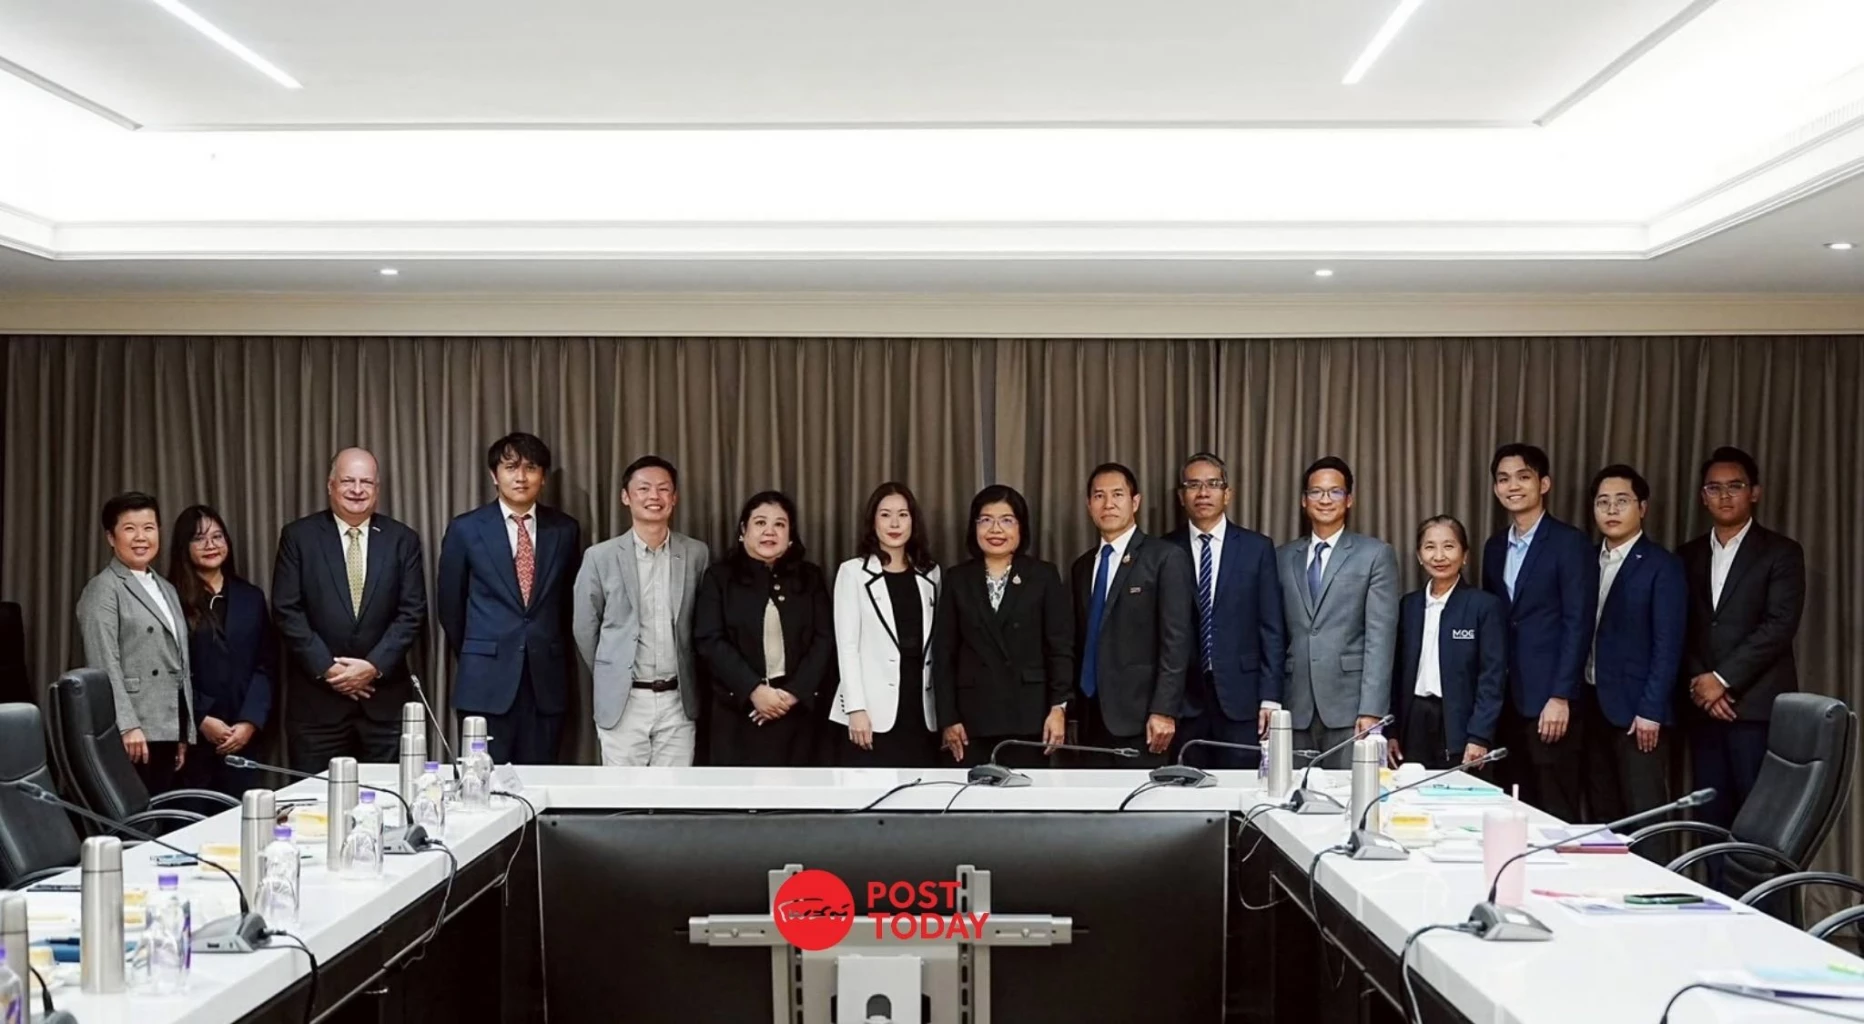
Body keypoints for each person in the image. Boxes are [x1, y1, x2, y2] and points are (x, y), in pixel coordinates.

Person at [272, 448, 428, 771]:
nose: (357, 490)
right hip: (317, 707)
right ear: (330, 485)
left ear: (377, 489)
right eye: (348, 481)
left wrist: (372, 666)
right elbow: (287, 610)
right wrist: (330, 669)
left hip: (384, 706)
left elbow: (412, 613)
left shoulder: (403, 540)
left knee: (389, 798)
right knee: (315, 800)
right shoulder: (298, 537)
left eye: (366, 482)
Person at [1678, 446, 1805, 830]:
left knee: (1760, 825)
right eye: (1714, 488)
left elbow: (1779, 626)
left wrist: (1722, 680)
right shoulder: (1686, 555)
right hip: (1703, 710)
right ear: (1703, 496)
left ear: (1754, 492)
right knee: (1710, 821)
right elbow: (1680, 627)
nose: (1724, 496)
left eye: (1735, 486)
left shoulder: (1781, 552)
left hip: (1755, 709)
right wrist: (1703, 684)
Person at [438, 433, 582, 765]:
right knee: (482, 783)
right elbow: (450, 606)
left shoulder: (565, 530)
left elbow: (567, 604)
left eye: (531, 468)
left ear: (543, 477)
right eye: (511, 467)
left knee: (541, 782)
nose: (521, 477)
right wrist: (484, 649)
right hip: (484, 682)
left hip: (545, 683)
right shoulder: (466, 529)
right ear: (494, 475)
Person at [573, 455, 710, 766]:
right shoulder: (600, 557)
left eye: (663, 489)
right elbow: (584, 626)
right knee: (622, 792)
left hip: (678, 699)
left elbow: (703, 623)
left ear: (674, 497)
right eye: (644, 488)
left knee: (674, 791)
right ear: (626, 497)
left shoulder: (696, 553)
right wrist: (612, 669)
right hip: (624, 700)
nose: (654, 497)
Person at [1480, 442, 1592, 822]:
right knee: (1512, 809)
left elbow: (1578, 623)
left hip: (1550, 703)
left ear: (1544, 484)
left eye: (1523, 477)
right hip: (1506, 701)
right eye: (1503, 479)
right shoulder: (1494, 547)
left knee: (1555, 810)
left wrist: (1561, 695)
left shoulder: (1570, 543)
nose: (1513, 486)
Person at [930, 486, 1071, 768]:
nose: (996, 529)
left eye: (1007, 520)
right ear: (974, 526)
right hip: (971, 720)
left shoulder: (1043, 575)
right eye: (986, 520)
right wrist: (948, 718)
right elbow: (944, 654)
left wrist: (1059, 708)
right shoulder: (958, 578)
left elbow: (1060, 648)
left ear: (1021, 527)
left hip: (1029, 716)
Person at [1163, 453, 1286, 769]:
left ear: (1227, 494)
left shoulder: (1257, 548)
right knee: (1185, 788)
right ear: (1181, 496)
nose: (1203, 493)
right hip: (1184, 701)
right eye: (1193, 485)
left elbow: (1272, 627)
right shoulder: (1164, 549)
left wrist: (1270, 697)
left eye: (1213, 484)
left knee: (1241, 787)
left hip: (1243, 700)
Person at [1275, 457, 1399, 768]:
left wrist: (1372, 709)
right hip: (1294, 706)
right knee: (1292, 793)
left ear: (1349, 499)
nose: (1325, 499)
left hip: (1351, 708)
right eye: (1316, 492)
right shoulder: (1282, 557)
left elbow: (1380, 638)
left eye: (1335, 492)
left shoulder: (1375, 554)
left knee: (1349, 793)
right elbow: (1273, 633)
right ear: (1304, 501)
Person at [693, 491, 834, 766]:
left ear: (790, 536)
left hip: (798, 712)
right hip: (738, 712)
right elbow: (709, 640)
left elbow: (824, 639)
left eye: (780, 524)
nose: (770, 531)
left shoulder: (810, 577)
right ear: (743, 530)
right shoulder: (719, 578)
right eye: (760, 523)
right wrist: (754, 690)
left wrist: (792, 693)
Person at [1584, 465, 1686, 838]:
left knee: (1646, 817)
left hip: (1638, 713)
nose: (1611, 510)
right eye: (1603, 502)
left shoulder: (1662, 566)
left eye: (1622, 501)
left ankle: (1657, 876)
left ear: (1642, 507)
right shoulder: (1585, 559)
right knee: (1602, 816)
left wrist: (1651, 710)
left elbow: (1668, 644)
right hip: (1590, 704)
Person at [1070, 463, 1195, 768]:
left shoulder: (1164, 557)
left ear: (1135, 502)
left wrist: (1164, 709)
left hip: (1143, 719)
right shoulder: (1082, 567)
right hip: (1090, 717)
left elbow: (1176, 641)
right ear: (1088, 505)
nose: (1108, 504)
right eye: (1099, 496)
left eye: (1117, 494)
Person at [76, 492, 195, 794]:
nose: (141, 537)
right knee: (140, 815)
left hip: (167, 725)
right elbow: (103, 663)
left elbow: (179, 664)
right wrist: (128, 725)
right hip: (134, 730)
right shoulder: (103, 588)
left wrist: (183, 730)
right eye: (129, 528)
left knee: (165, 811)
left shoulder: (165, 587)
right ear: (110, 537)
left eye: (149, 528)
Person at [167, 505, 276, 798]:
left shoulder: (251, 597)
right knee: (190, 819)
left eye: (217, 536)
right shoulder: (169, 599)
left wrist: (249, 722)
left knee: (242, 816)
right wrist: (200, 718)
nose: (211, 545)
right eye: (199, 538)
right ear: (183, 546)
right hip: (190, 740)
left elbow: (266, 665)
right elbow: (165, 671)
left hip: (242, 737)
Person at [830, 483, 940, 767]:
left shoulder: (930, 573)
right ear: (873, 521)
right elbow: (847, 646)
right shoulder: (853, 573)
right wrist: (855, 708)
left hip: (921, 705)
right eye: (885, 515)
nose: (894, 524)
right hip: (871, 710)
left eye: (903, 515)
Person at [1390, 516, 1506, 771]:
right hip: (1414, 721)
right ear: (1419, 556)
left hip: (1460, 724)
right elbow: (1396, 675)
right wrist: (1392, 732)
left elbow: (1492, 677)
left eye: (1449, 546)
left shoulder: (1484, 606)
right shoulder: (1408, 605)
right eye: (1430, 547)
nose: (1439, 556)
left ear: (1464, 555)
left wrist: (1479, 735)